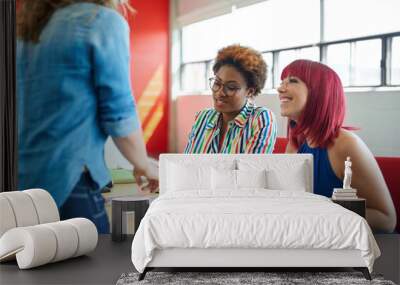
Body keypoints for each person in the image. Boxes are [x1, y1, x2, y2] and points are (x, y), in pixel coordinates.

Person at [16, 0, 158, 234]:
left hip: (20, 185)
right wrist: (143, 165)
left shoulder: (26, 29)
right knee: (94, 270)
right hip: (70, 182)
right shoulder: (99, 21)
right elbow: (119, 112)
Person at [278, 59, 396, 232]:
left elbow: (386, 220)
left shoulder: (345, 144)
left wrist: (321, 212)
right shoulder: (295, 143)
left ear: (319, 92)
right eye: (282, 82)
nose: (280, 88)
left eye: (292, 81)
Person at [184, 44, 277, 154]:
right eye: (217, 83)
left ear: (250, 91)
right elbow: (187, 164)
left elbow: (251, 170)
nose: (220, 92)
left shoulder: (261, 119)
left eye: (231, 87)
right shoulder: (203, 118)